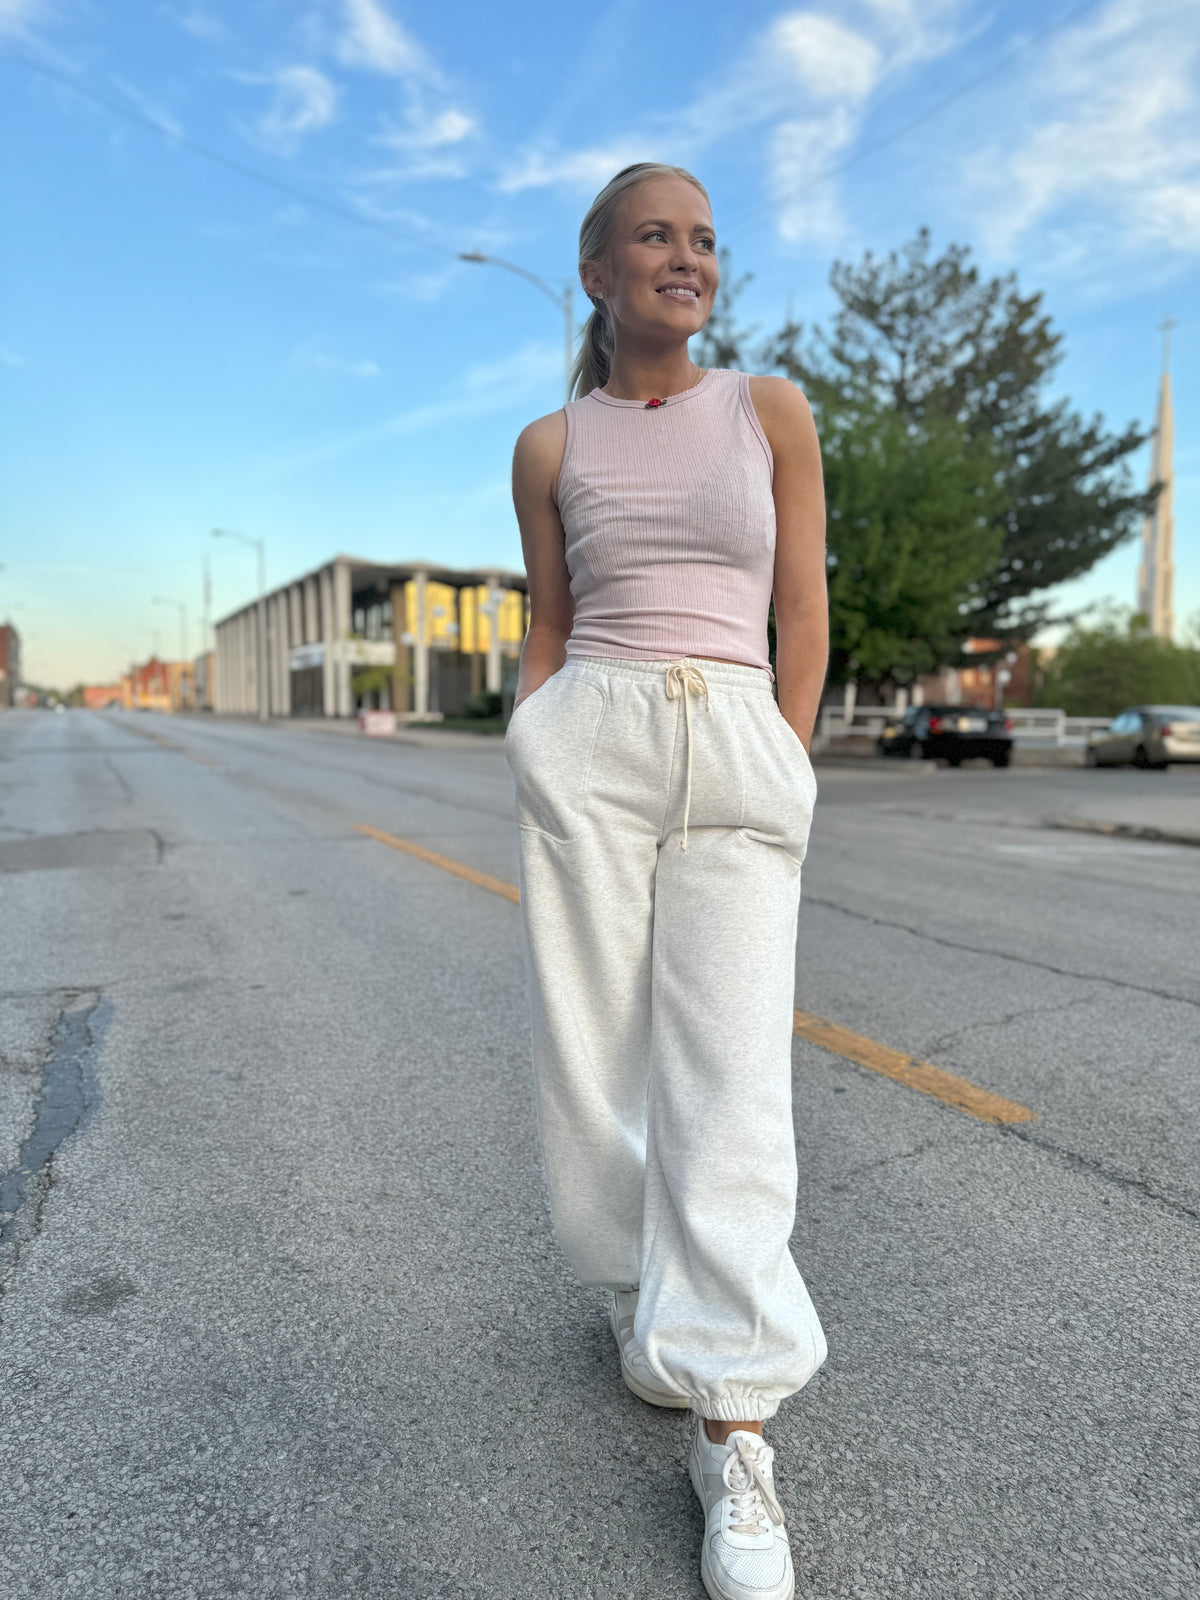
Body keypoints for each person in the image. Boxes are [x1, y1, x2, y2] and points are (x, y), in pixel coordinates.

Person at [507, 161, 829, 1600]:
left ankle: (736, 1425)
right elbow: (550, 621)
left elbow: (803, 604)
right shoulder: (548, 444)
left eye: (704, 238)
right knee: (597, 1069)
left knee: (732, 1078)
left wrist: (787, 752)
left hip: (735, 739)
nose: (686, 257)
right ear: (596, 271)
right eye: (656, 235)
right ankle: (650, 1303)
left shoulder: (766, 409)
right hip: (598, 732)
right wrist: (536, 736)